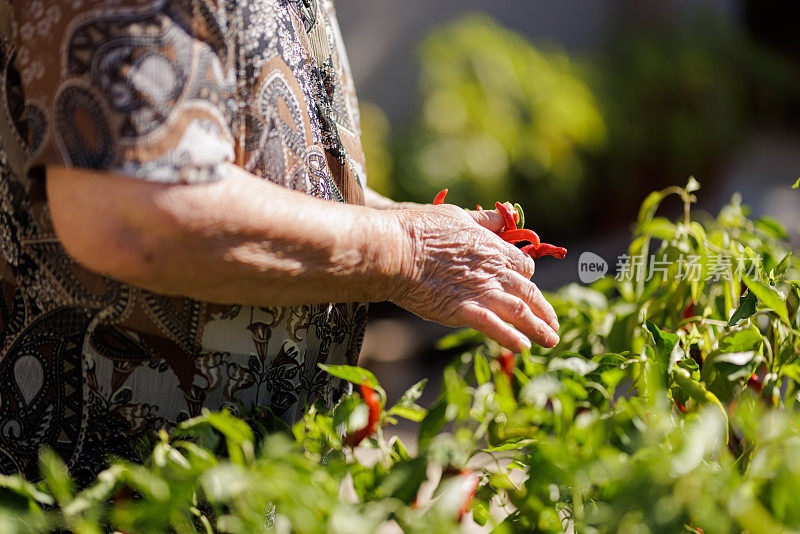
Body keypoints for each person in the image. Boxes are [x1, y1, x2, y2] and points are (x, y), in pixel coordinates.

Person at [0, 0, 559, 483]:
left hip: (263, 475)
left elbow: (254, 160)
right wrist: (405, 248)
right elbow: (133, 214)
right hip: (123, 489)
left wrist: (405, 221)